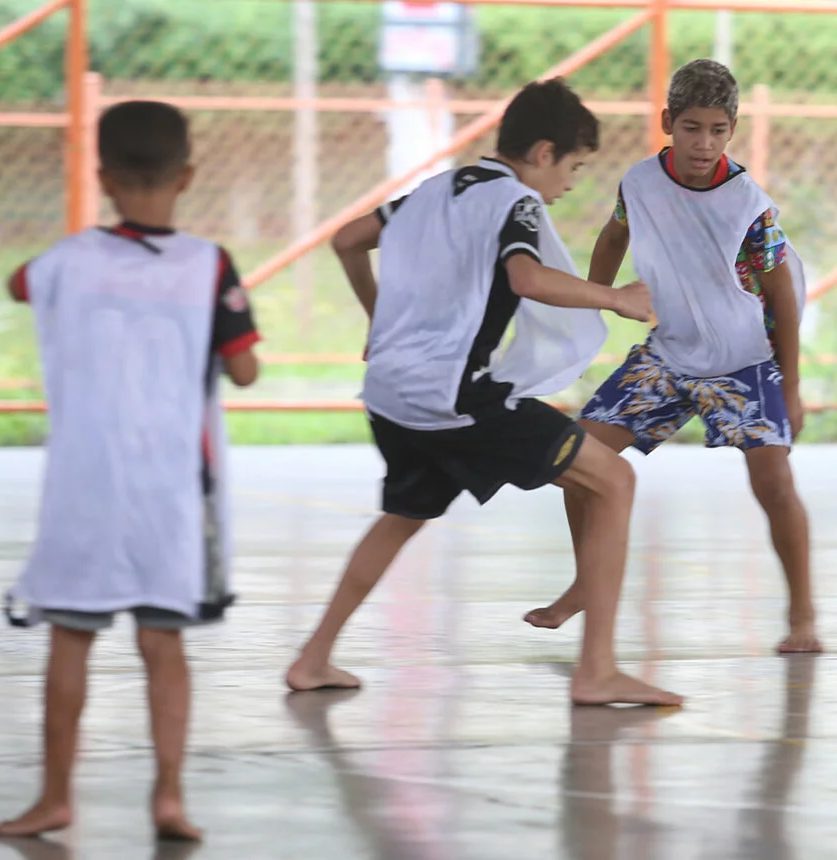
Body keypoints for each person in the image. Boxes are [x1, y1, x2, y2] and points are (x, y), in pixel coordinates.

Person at [284, 79, 682, 707]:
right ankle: (597, 669)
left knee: (405, 516)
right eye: (573, 168)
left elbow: (347, 240)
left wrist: (379, 321)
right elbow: (525, 277)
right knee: (615, 480)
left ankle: (312, 659)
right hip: (452, 398)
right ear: (544, 152)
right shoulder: (514, 201)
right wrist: (615, 297)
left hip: (393, 395)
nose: (570, 185)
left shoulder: (436, 189)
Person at [0, 101, 261, 842]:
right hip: (169, 491)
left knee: (69, 640)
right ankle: (169, 798)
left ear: (101, 175)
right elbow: (243, 370)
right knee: (162, 643)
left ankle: (54, 798)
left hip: (84, 490)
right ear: (187, 175)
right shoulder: (209, 265)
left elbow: (19, 284)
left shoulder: (65, 262)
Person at [522, 59, 821, 653]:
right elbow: (614, 235)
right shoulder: (639, 181)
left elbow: (783, 294)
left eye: (717, 129)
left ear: (732, 130)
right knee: (573, 463)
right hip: (670, 356)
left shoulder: (747, 204)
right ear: (667, 123)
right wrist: (594, 306)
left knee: (774, 481)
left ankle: (804, 616)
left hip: (745, 358)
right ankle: (586, 583)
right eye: (690, 128)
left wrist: (790, 385)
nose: (703, 143)